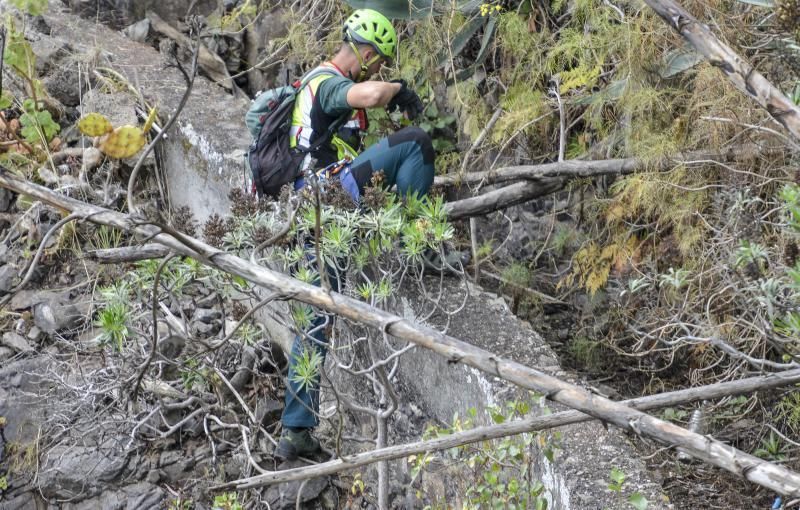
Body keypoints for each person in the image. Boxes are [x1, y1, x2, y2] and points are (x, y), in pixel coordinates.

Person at [274, 8, 461, 461]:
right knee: (415, 141)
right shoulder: (329, 82)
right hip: (324, 202)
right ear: (364, 52)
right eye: (379, 63)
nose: (379, 71)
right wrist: (398, 90)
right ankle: (419, 244)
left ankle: (295, 431)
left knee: (317, 319)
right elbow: (372, 94)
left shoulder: (315, 85)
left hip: (314, 215)